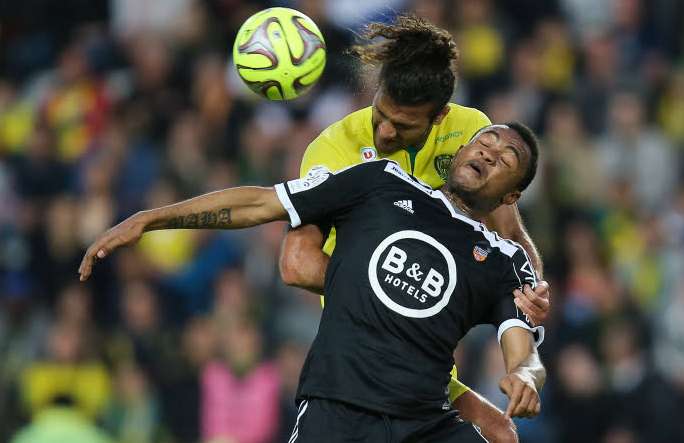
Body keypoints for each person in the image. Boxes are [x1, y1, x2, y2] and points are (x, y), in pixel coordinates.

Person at [79, 122, 546, 443]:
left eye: (508, 156)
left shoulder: (505, 261)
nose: (490, 150)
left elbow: (523, 348)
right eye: (487, 139)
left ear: (511, 195)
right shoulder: (382, 183)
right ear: (461, 150)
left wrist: (524, 376)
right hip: (338, 408)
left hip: (423, 422)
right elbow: (261, 204)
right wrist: (152, 218)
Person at [278, 14, 549, 439]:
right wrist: (391, 294)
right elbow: (296, 264)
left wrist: (531, 294)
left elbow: (508, 235)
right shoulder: (334, 148)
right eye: (379, 114)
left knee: (501, 431)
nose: (384, 132)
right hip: (362, 346)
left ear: (439, 116)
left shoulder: (472, 134)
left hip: (425, 352)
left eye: (403, 125)